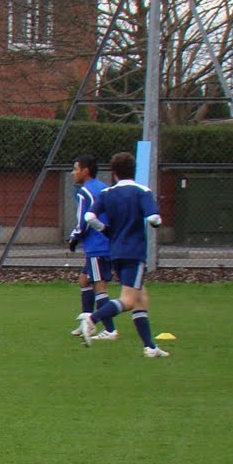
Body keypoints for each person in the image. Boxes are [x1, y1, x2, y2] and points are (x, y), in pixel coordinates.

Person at [77, 151, 168, 356]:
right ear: (134, 170)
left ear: (114, 172)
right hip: (134, 252)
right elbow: (154, 218)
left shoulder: (107, 193)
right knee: (128, 299)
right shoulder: (142, 191)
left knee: (140, 297)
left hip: (115, 251)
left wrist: (105, 230)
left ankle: (150, 347)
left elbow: (90, 216)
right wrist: (156, 222)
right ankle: (91, 319)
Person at [66, 154, 118, 341]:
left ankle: (110, 330)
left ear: (85, 171)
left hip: (97, 245)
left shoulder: (84, 192)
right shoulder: (104, 188)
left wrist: (74, 237)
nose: (73, 173)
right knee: (84, 280)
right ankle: (86, 324)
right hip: (106, 242)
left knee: (99, 286)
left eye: (76, 169)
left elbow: (84, 220)